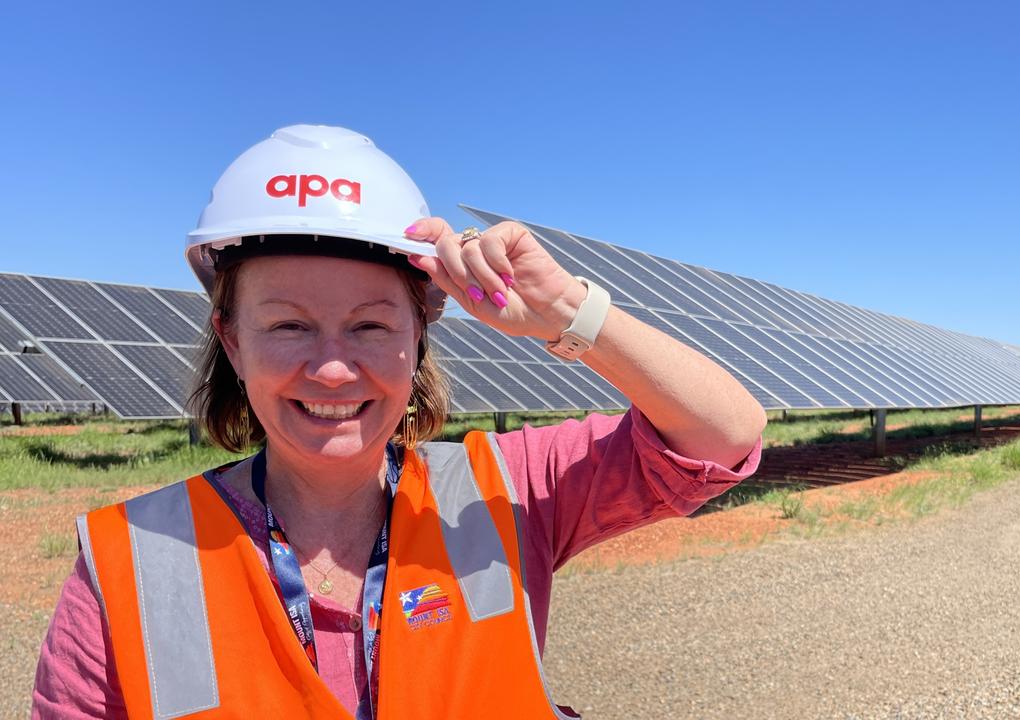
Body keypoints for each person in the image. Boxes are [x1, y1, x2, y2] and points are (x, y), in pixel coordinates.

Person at [30, 125, 765, 719]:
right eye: (288, 326)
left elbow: (723, 437)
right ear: (232, 340)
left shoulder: (506, 492)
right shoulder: (129, 566)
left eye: (371, 326)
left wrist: (571, 314)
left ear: (420, 335)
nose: (333, 368)